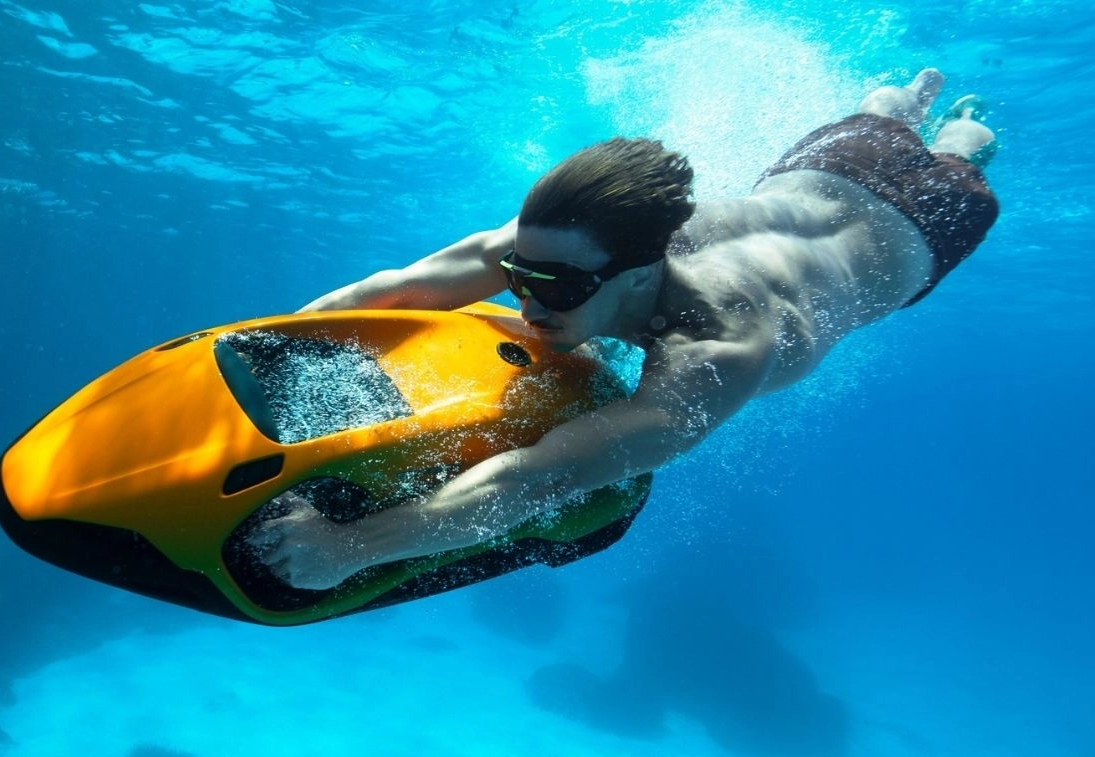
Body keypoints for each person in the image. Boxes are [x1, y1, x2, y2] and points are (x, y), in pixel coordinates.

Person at [251, 68, 999, 590]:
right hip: (839, 161)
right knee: (885, 114)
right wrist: (257, 344)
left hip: (926, 227)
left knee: (962, 146)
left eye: (558, 289)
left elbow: (538, 478)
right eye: (517, 276)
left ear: (641, 275)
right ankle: (905, 101)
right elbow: (391, 290)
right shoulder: (563, 241)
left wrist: (349, 548)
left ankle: (958, 132)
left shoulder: (719, 351)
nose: (527, 304)